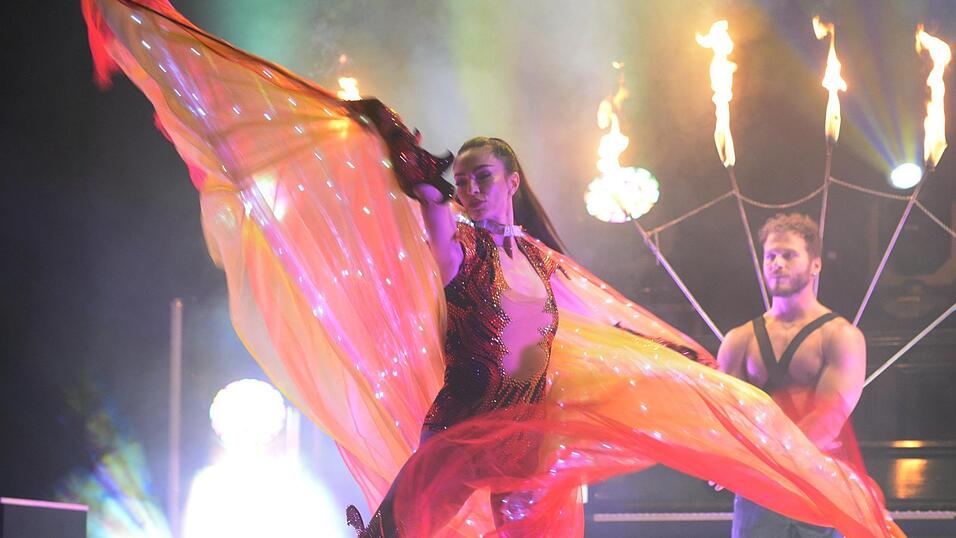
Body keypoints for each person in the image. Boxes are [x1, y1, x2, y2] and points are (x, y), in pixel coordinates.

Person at [83, 2, 903, 536]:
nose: (472, 186)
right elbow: (425, 198)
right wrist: (394, 142)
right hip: (465, 433)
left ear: (511, 181)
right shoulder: (458, 246)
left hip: (534, 447)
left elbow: (608, 321)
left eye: (484, 176)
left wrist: (680, 361)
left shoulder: (543, 262)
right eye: (464, 177)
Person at [716, 213, 866, 538]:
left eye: (788, 255)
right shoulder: (738, 340)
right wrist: (721, 455)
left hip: (818, 495)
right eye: (770, 256)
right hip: (758, 498)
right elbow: (728, 416)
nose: (777, 264)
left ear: (815, 265)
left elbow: (827, 421)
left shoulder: (840, 336)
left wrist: (757, 457)